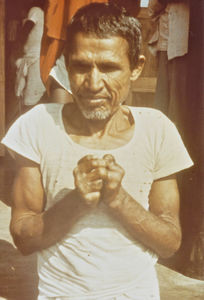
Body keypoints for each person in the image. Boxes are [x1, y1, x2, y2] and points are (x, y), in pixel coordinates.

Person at [2, 2, 193, 299]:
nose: (93, 83)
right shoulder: (36, 127)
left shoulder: (157, 129)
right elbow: (23, 238)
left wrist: (118, 199)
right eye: (80, 66)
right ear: (66, 65)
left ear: (136, 68)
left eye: (108, 67)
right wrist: (77, 201)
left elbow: (169, 242)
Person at [148, 0, 190, 133]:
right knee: (165, 95)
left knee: (179, 98)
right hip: (170, 41)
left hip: (188, 42)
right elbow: (153, 7)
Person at [14, 0, 46, 113]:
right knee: (27, 93)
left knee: (31, 96)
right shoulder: (39, 13)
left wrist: (17, 41)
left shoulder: (35, 10)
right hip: (32, 57)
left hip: (34, 58)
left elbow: (27, 28)